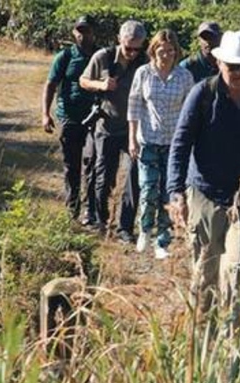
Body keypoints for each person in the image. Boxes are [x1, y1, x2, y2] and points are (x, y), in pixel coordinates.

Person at [167, 29, 240, 318]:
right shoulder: (202, 94)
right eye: (233, 66)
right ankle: (204, 339)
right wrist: (175, 192)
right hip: (204, 193)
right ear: (220, 63)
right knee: (205, 273)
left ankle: (234, 338)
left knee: (239, 267)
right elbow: (181, 144)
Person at [79, 19, 148, 242]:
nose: (132, 53)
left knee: (134, 177)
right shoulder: (103, 57)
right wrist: (101, 85)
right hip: (107, 126)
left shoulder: (145, 62)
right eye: (129, 48)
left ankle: (125, 227)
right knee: (103, 177)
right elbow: (83, 80)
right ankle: (101, 221)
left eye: (137, 48)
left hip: (134, 130)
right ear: (119, 40)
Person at [128, 29, 194, 259]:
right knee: (148, 190)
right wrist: (132, 138)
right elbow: (134, 105)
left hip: (174, 144)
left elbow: (190, 111)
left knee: (169, 194)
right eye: (161, 50)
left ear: (176, 53)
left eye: (170, 51)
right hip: (147, 140)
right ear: (153, 50)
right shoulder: (143, 73)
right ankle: (145, 230)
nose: (165, 55)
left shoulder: (184, 76)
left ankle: (162, 241)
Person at [41, 16, 98, 221]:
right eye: (79, 31)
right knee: (71, 165)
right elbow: (50, 85)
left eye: (87, 30)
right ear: (74, 33)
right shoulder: (65, 56)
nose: (83, 35)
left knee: (93, 164)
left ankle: (90, 210)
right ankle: (72, 208)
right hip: (69, 118)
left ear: (94, 32)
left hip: (95, 119)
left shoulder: (101, 56)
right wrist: (45, 114)